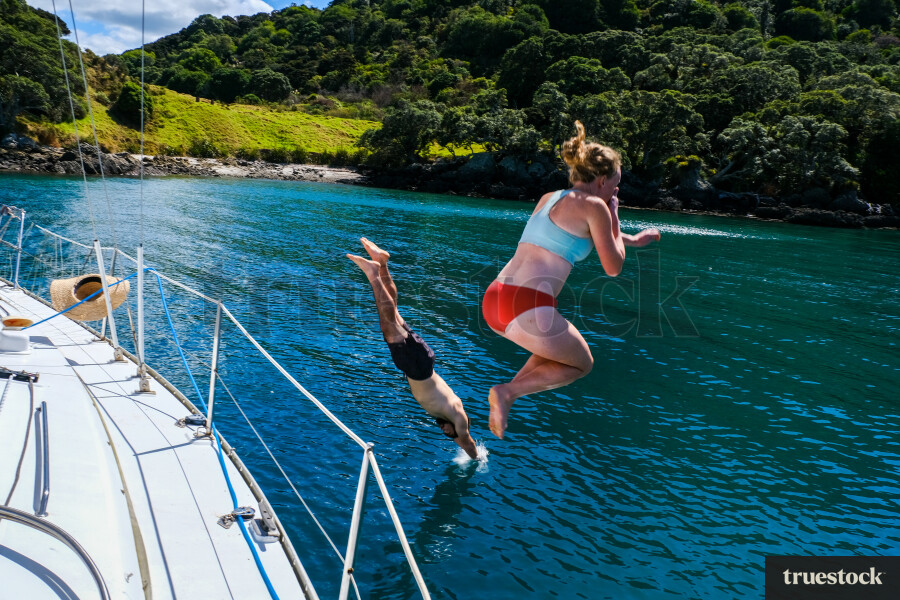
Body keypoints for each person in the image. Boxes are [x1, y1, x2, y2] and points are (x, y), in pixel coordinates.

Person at [482, 121, 661, 439]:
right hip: (527, 305)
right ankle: (507, 393)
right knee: (581, 364)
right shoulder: (596, 207)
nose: (614, 193)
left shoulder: (550, 197)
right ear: (603, 180)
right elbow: (613, 266)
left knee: (557, 352)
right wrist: (615, 211)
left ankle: (508, 393)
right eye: (614, 186)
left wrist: (636, 239)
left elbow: (592, 238)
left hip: (496, 297)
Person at [348, 237, 479, 459]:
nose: (445, 432)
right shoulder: (459, 417)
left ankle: (381, 262)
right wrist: (476, 458)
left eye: (446, 434)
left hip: (420, 363)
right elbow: (466, 441)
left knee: (394, 314)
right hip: (417, 367)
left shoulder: (445, 412)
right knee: (387, 323)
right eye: (449, 435)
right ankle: (372, 273)